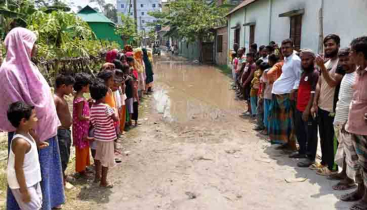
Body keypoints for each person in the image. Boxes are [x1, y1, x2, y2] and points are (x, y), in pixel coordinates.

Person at [0, 27, 65, 210]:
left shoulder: (30, 65)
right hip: (29, 135)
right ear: (22, 44)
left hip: (45, 129)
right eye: (32, 43)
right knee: (30, 174)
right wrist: (34, 136)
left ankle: (51, 203)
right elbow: (16, 108)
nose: (35, 47)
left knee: (46, 171)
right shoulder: (8, 71)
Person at [338, 36, 367, 210]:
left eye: (352, 52)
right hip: (353, 124)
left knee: (366, 164)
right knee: (357, 163)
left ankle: (366, 199)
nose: (350, 55)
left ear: (360, 54)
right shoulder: (357, 72)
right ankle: (360, 191)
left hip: (365, 128)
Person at [311, 34, 344, 175]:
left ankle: (333, 168)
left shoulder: (340, 64)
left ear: (338, 46)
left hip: (332, 108)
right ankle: (324, 162)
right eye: (326, 45)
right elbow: (319, 84)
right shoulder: (325, 64)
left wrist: (322, 68)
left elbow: (332, 83)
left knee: (332, 140)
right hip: (322, 107)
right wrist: (314, 103)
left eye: (331, 44)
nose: (328, 47)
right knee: (323, 138)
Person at [7, 102, 43, 210]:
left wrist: (37, 143)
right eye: (34, 117)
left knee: (38, 205)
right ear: (23, 121)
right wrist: (24, 191)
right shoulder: (20, 142)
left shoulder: (27, 133)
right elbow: (18, 168)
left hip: (32, 179)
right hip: (24, 184)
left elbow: (28, 152)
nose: (37, 119)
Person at [329, 48, 356, 191]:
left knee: (349, 150)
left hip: (349, 119)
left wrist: (349, 120)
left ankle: (350, 180)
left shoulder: (358, 75)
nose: (344, 62)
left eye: (347, 59)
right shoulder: (346, 74)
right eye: (342, 60)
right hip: (340, 115)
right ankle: (343, 173)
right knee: (342, 148)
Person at [268, 39, 301, 147]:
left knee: (287, 121)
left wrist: (293, 90)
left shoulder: (295, 60)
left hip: (286, 94)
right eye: (283, 48)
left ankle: (291, 144)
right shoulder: (287, 59)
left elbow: (299, 77)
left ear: (292, 47)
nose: (284, 50)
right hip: (279, 93)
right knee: (280, 121)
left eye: (287, 47)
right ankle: (284, 142)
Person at [289, 49, 319, 166]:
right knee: (300, 131)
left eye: (307, 59)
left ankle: (310, 157)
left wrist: (307, 109)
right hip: (299, 107)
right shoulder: (304, 73)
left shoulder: (314, 74)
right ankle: (302, 151)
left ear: (313, 60)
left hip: (307, 110)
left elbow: (313, 93)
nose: (304, 62)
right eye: (303, 60)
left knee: (311, 134)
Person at [90, 79, 119, 188]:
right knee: (106, 159)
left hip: (98, 136)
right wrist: (115, 110)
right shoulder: (106, 107)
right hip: (107, 137)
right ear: (103, 95)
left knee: (98, 157)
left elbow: (92, 122)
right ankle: (103, 181)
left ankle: (97, 175)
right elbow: (115, 119)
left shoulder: (93, 107)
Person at [54, 74, 75, 188]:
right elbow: (52, 115)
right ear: (63, 86)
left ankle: (63, 175)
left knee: (66, 154)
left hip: (65, 131)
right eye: (70, 87)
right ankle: (61, 181)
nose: (72, 90)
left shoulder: (61, 98)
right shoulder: (55, 99)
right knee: (62, 157)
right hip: (61, 133)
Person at [73, 73, 93, 177]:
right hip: (80, 127)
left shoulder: (79, 97)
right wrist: (89, 117)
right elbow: (80, 116)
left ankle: (84, 167)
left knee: (85, 146)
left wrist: (88, 103)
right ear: (83, 86)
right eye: (88, 85)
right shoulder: (79, 99)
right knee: (82, 147)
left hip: (82, 127)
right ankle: (81, 170)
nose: (89, 87)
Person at [262, 54, 280, 135]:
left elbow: (263, 83)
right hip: (277, 94)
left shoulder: (266, 71)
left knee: (267, 113)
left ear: (271, 61)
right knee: (274, 113)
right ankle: (273, 130)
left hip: (268, 94)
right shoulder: (280, 70)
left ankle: (266, 129)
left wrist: (262, 94)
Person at [253, 62, 269, 131]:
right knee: (264, 111)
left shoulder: (263, 77)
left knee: (259, 111)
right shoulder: (268, 75)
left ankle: (260, 125)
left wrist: (261, 96)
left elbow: (262, 87)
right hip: (264, 95)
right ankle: (263, 125)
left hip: (261, 95)